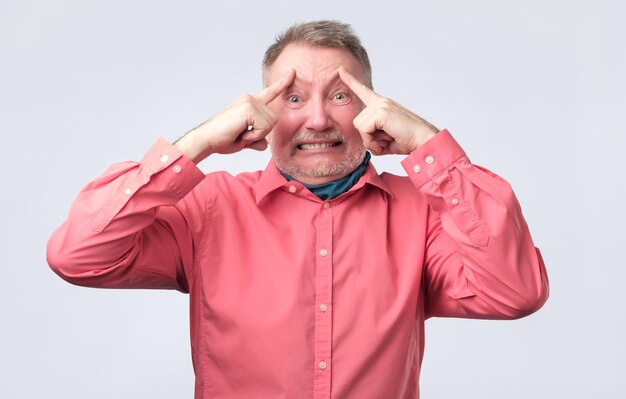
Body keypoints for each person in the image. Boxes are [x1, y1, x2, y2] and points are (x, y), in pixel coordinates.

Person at [47, 20, 549, 399]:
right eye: (292, 97)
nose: (316, 118)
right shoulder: (209, 206)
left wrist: (428, 145)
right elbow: (79, 255)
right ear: (259, 113)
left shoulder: (423, 211)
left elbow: (515, 292)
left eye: (340, 95)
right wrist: (196, 143)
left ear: (374, 107)